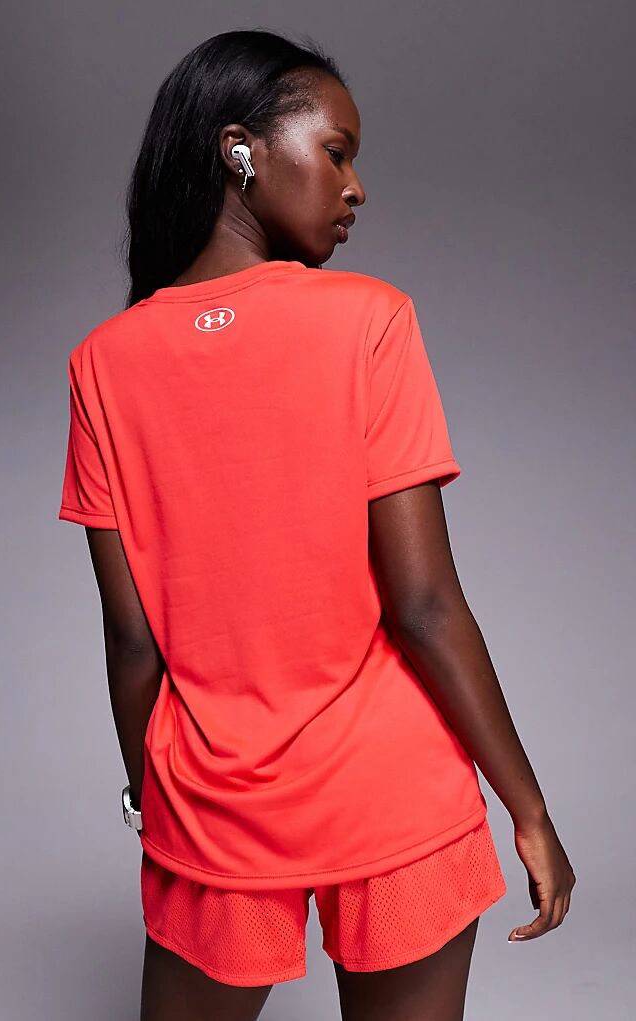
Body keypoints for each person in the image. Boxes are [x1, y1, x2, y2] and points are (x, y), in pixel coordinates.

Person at [57, 28, 576, 1021]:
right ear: (239, 150)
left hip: (213, 806)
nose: (355, 187)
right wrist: (529, 808)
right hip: (391, 792)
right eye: (335, 152)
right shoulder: (369, 320)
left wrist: (151, 800)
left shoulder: (103, 364)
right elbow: (425, 605)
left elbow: (132, 640)